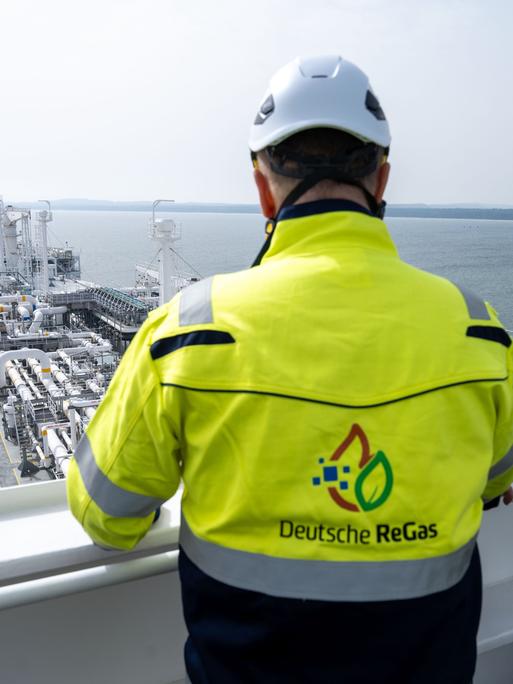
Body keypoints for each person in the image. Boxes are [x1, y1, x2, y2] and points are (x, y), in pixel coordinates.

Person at [67, 55, 513, 683]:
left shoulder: (190, 330)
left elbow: (106, 516)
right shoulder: (481, 331)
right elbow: (498, 481)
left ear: (260, 187)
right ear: (381, 181)